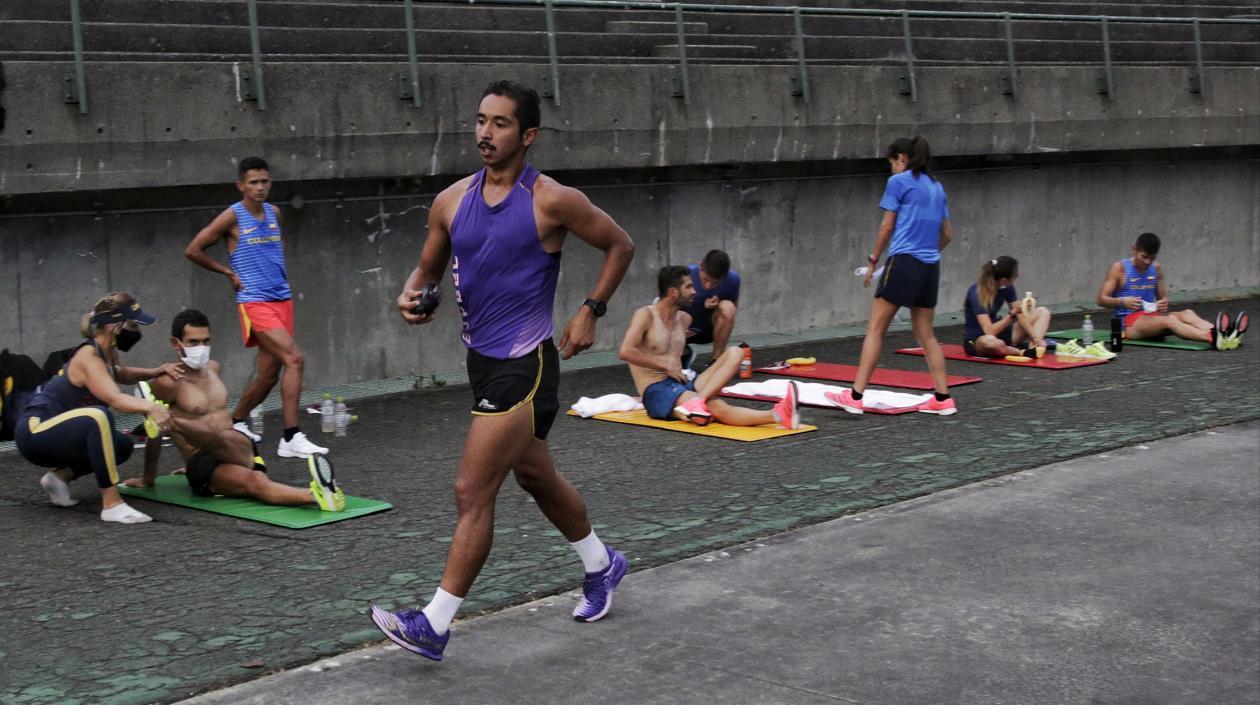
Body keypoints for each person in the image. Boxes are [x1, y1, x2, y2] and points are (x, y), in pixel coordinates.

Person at [371, 80, 636, 661]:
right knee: (535, 477)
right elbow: (427, 275)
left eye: (500, 124)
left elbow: (620, 244)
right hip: (481, 362)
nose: (485, 133)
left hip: (527, 364)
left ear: (528, 135)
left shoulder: (551, 200)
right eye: (481, 120)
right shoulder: (450, 201)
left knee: (473, 489)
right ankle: (601, 563)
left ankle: (434, 624)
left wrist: (591, 311)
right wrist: (414, 297)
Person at [122, 309, 343, 512]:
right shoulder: (168, 383)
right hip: (203, 460)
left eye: (205, 341)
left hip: (237, 447)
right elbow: (155, 432)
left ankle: (174, 421)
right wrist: (148, 477)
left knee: (227, 434)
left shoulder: (214, 368)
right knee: (256, 483)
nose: (201, 348)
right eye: (193, 342)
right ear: (176, 343)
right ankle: (317, 496)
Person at [185, 157, 327, 459]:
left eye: (265, 181)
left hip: (281, 299)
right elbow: (193, 250)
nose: (260, 187)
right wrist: (228, 273)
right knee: (295, 359)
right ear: (241, 186)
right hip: (254, 301)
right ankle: (291, 436)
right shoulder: (232, 217)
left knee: (268, 375)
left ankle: (233, 424)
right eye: (253, 183)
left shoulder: (274, 213)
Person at [15, 293, 177, 524]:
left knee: (120, 445)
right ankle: (112, 504)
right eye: (131, 324)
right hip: (36, 432)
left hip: (60, 432)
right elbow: (116, 399)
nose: (135, 331)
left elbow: (120, 373)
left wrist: (157, 371)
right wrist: (151, 407)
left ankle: (59, 478)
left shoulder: (107, 350)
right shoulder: (89, 357)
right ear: (113, 326)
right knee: (97, 416)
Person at [831, 136, 956, 416]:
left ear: (901, 158)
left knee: (875, 329)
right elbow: (948, 234)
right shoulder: (937, 187)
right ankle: (943, 397)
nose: (891, 170)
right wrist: (928, 252)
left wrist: (873, 261)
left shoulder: (899, 182)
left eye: (892, 164)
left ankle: (855, 395)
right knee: (926, 334)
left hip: (903, 262)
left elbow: (887, 226)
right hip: (930, 266)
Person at [621, 266, 799, 429]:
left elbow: (707, 324)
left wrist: (714, 307)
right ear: (673, 292)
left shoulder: (682, 319)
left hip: (681, 383)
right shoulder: (645, 315)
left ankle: (697, 402)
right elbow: (626, 351)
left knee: (736, 353)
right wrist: (665, 365)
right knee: (716, 406)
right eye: (689, 287)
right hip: (656, 389)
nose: (695, 291)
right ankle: (776, 416)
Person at [1097, 232, 1246, 350]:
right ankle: (1212, 337)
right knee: (1170, 320)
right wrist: (1123, 301)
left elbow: (1163, 300)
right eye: (1144, 257)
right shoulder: (1119, 268)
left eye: (1152, 258)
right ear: (1134, 250)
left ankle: (1224, 335)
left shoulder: (1156, 268)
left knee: (1187, 313)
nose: (1148, 261)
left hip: (1151, 317)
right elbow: (1101, 300)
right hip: (1128, 324)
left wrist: (1162, 304)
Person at [962, 256, 1053, 358]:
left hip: (1001, 335)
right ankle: (1018, 352)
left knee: (1043, 312)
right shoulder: (977, 293)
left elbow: (1021, 316)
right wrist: (1011, 315)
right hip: (978, 339)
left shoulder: (1006, 287)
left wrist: (1035, 337)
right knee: (990, 343)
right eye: (1013, 278)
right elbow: (989, 331)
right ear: (1004, 280)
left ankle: (1034, 348)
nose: (1014, 280)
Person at [683, 249, 741, 367]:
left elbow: (733, 309)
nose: (708, 286)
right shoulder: (685, 276)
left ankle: (716, 362)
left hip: (707, 330)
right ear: (700, 266)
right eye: (705, 280)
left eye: (714, 283)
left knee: (728, 307)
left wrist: (718, 301)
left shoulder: (733, 280)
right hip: (681, 330)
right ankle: (682, 353)